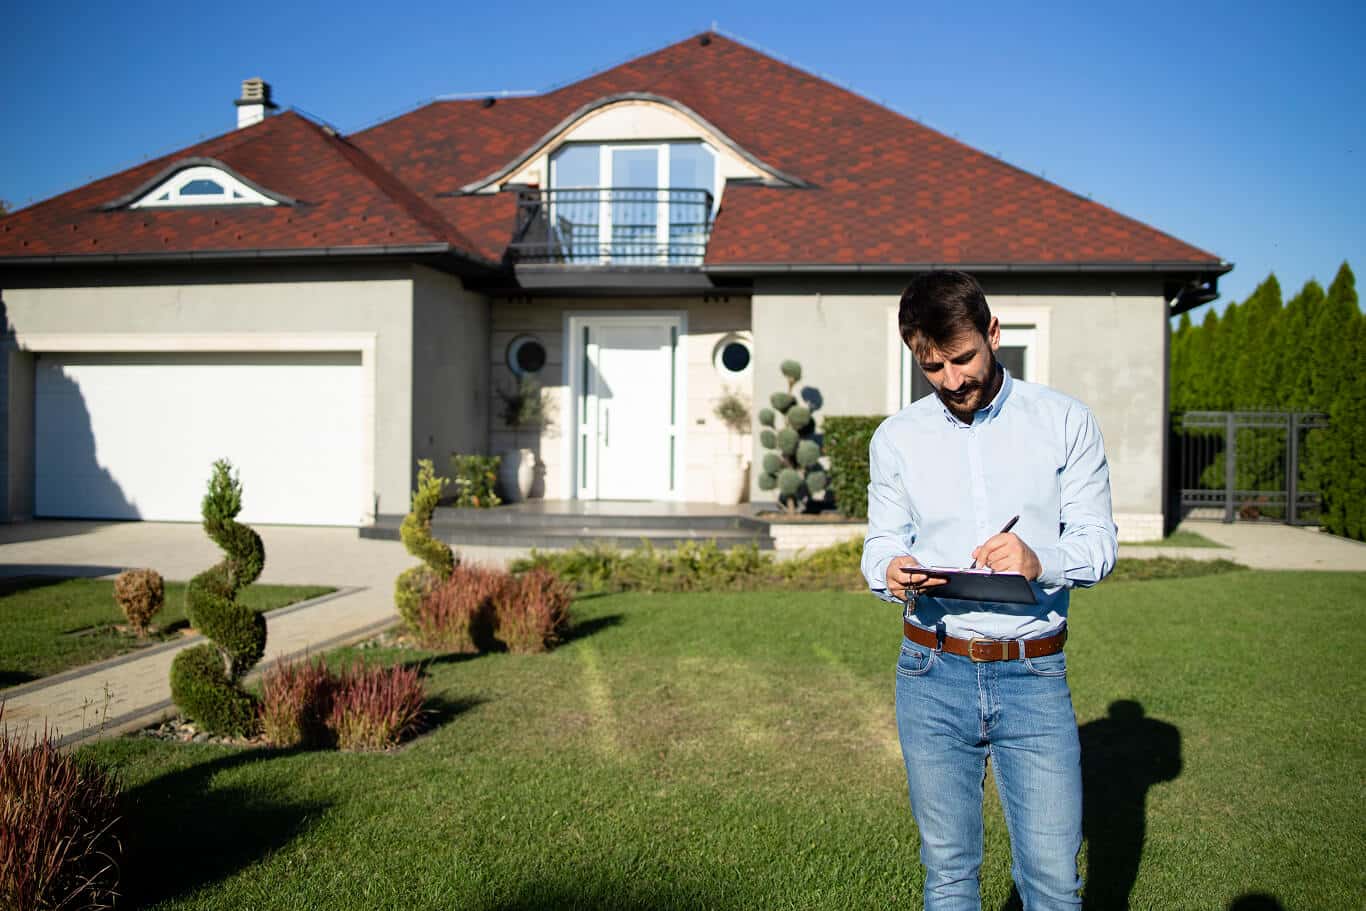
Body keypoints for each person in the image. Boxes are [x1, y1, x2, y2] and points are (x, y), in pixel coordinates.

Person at [861, 270, 1118, 910]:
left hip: (1033, 676)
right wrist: (889, 569)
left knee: (1054, 883)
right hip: (930, 670)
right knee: (948, 875)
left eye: (964, 358)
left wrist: (1040, 559)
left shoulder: (1065, 421)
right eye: (933, 366)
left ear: (993, 333)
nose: (953, 380)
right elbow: (878, 543)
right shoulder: (896, 439)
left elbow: (1100, 545)